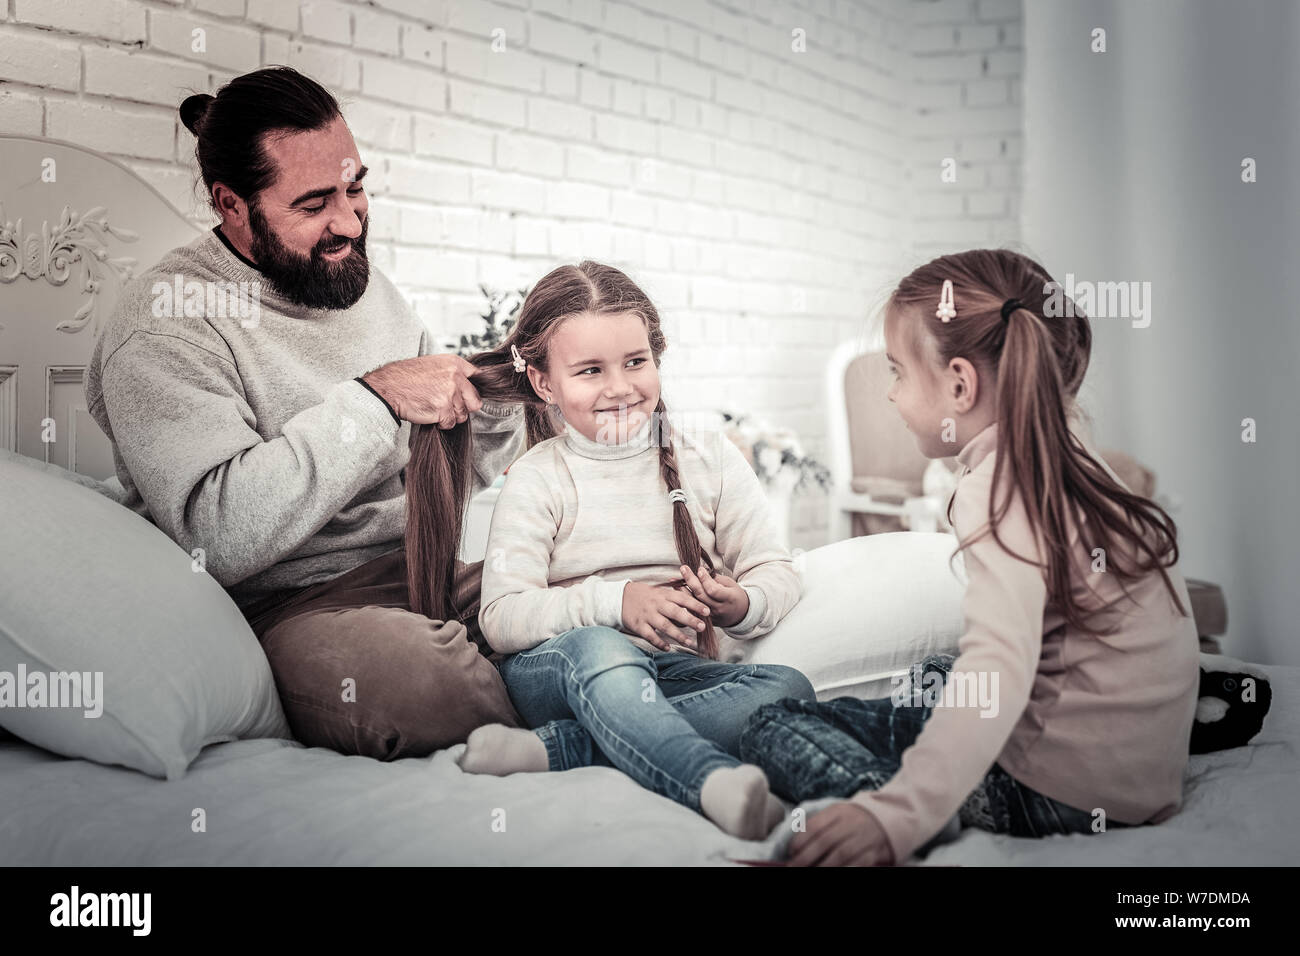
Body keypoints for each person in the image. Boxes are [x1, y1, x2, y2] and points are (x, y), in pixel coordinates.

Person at [83, 67, 527, 759]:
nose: (348, 222)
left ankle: (577, 696)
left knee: (597, 601)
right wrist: (375, 398)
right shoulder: (167, 323)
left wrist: (506, 402)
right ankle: (566, 706)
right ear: (232, 205)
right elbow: (216, 533)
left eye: (356, 188)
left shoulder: (359, 281)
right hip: (292, 606)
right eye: (315, 202)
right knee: (430, 685)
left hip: (419, 566)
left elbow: (439, 459)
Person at [740, 249, 1200, 865]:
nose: (892, 395)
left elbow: (998, 670)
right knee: (935, 670)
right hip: (1137, 774)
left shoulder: (996, 488)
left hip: (1058, 789)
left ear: (960, 385)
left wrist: (898, 817)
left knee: (770, 724)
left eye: (898, 373)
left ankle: (878, 807)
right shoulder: (1075, 461)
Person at [408, 260, 816, 839]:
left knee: (787, 688)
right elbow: (501, 618)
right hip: (562, 668)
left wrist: (743, 604)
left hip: (670, 672)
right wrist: (615, 603)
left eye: (635, 362)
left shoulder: (710, 457)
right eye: (590, 370)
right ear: (545, 383)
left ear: (657, 356)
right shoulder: (537, 478)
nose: (620, 387)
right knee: (601, 647)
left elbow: (775, 567)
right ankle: (709, 782)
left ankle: (560, 751)